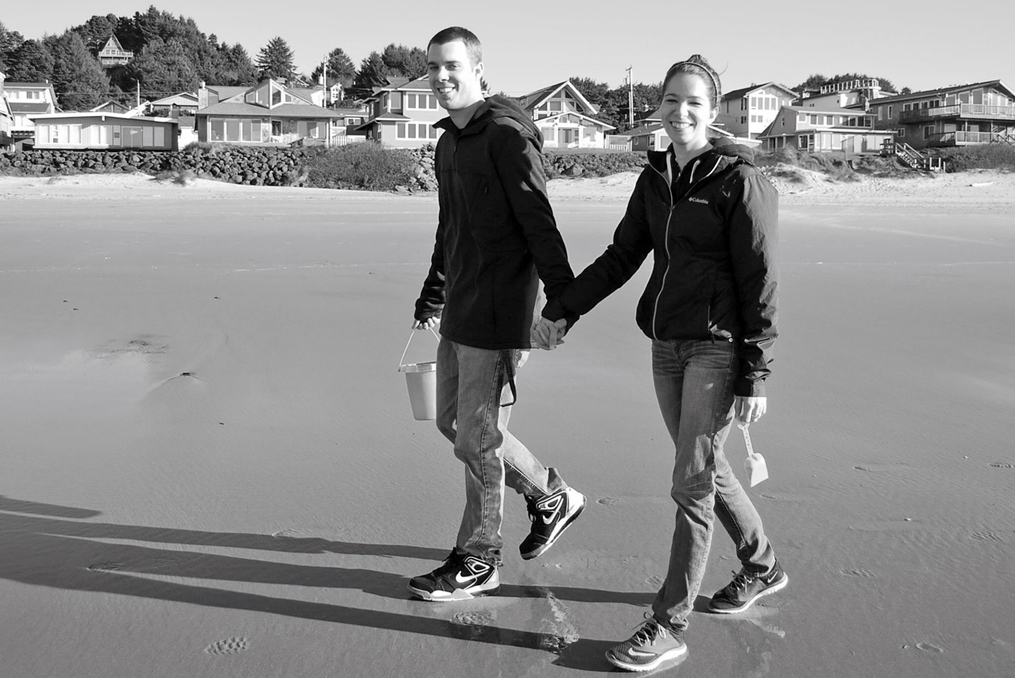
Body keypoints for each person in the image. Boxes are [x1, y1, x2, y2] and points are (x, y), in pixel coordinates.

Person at [534, 55, 786, 670]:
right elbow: (622, 257)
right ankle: (763, 564)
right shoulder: (655, 178)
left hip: (718, 346)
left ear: (714, 109)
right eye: (671, 100)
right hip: (667, 345)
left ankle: (669, 624)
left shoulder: (739, 180)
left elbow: (761, 280)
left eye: (693, 102)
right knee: (704, 468)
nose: (680, 112)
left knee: (691, 483)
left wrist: (755, 371)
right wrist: (563, 308)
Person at [407, 26, 586, 602]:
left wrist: (562, 304)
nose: (441, 77)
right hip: (459, 306)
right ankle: (549, 494)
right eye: (433, 67)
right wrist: (433, 294)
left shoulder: (507, 137)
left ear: (478, 68)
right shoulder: (447, 143)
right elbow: (449, 227)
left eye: (452, 65)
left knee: (479, 439)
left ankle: (479, 558)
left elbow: (541, 223)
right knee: (451, 425)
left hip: (501, 313)